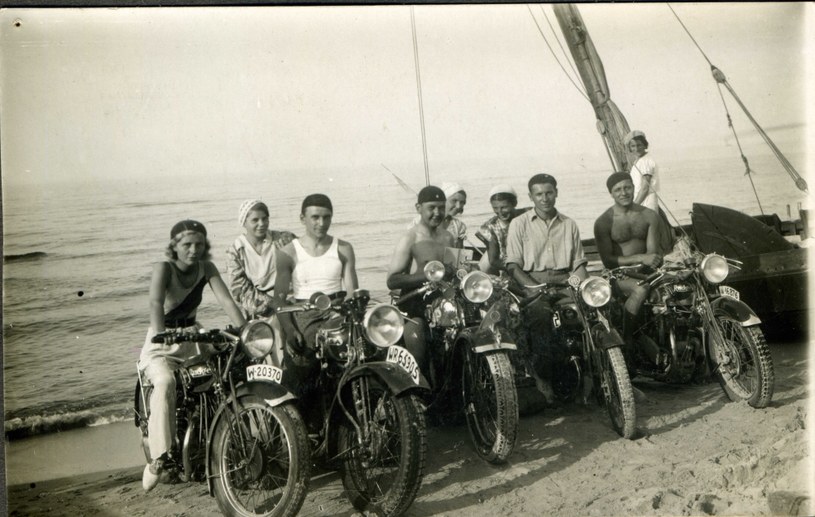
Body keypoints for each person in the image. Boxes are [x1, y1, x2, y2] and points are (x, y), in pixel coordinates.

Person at [139, 220, 247, 492]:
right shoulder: (163, 269)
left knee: (226, 374)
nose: (193, 249)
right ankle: (158, 459)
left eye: (199, 244)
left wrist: (246, 330)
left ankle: (228, 444)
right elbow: (154, 302)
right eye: (187, 244)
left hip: (192, 339)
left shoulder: (206, 268)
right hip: (162, 342)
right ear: (173, 246)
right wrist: (162, 334)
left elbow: (226, 301)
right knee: (165, 383)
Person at [504, 173, 588, 402]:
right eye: (539, 194)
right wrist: (533, 287)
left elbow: (579, 265)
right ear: (531, 196)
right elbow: (513, 266)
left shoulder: (569, 224)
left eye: (549, 192)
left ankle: (598, 375)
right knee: (539, 318)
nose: (545, 198)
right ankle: (544, 379)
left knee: (591, 313)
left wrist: (578, 286)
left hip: (564, 281)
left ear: (556, 193)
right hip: (533, 283)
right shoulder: (519, 224)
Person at [272, 194, 358, 387]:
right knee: (303, 374)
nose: (322, 223)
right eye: (315, 217)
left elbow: (352, 293)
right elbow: (279, 300)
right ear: (302, 219)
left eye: (327, 217)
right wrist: (290, 329)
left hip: (337, 311)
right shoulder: (288, 252)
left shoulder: (344, 248)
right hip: (304, 314)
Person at [387, 185, 456, 383]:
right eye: (431, 207)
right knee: (419, 347)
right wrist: (428, 275)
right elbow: (392, 280)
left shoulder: (448, 237)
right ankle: (421, 396)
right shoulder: (410, 238)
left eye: (441, 207)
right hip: (414, 302)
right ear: (418, 208)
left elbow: (454, 271)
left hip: (444, 303)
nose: (437, 213)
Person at [594, 172, 664, 364]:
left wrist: (649, 261)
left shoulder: (649, 215)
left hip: (646, 272)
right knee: (640, 288)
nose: (624, 192)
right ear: (611, 193)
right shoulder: (604, 222)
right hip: (617, 274)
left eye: (627, 187)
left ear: (634, 187)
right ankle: (629, 339)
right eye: (618, 189)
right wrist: (642, 258)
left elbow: (653, 253)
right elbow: (608, 260)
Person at [225, 199, 295, 319]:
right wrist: (274, 305)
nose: (261, 224)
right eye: (255, 220)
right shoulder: (236, 251)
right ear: (244, 222)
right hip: (264, 311)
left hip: (294, 302)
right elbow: (240, 291)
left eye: (265, 218)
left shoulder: (284, 239)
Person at [625, 129, 673, 252]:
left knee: (649, 231)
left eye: (639, 145)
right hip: (641, 200)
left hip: (646, 200)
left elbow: (645, 188)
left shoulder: (646, 161)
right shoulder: (638, 161)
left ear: (645, 145)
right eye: (633, 146)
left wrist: (633, 206)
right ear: (630, 148)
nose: (636, 148)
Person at [475, 184, 531, 274]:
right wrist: (517, 270)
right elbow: (493, 261)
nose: (500, 212)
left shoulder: (528, 214)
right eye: (495, 208)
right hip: (510, 270)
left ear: (514, 203)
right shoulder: (489, 228)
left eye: (504, 207)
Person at [410, 182, 467, 248]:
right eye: (454, 201)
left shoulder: (458, 226)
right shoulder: (418, 222)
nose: (458, 206)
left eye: (462, 202)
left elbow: (459, 253)